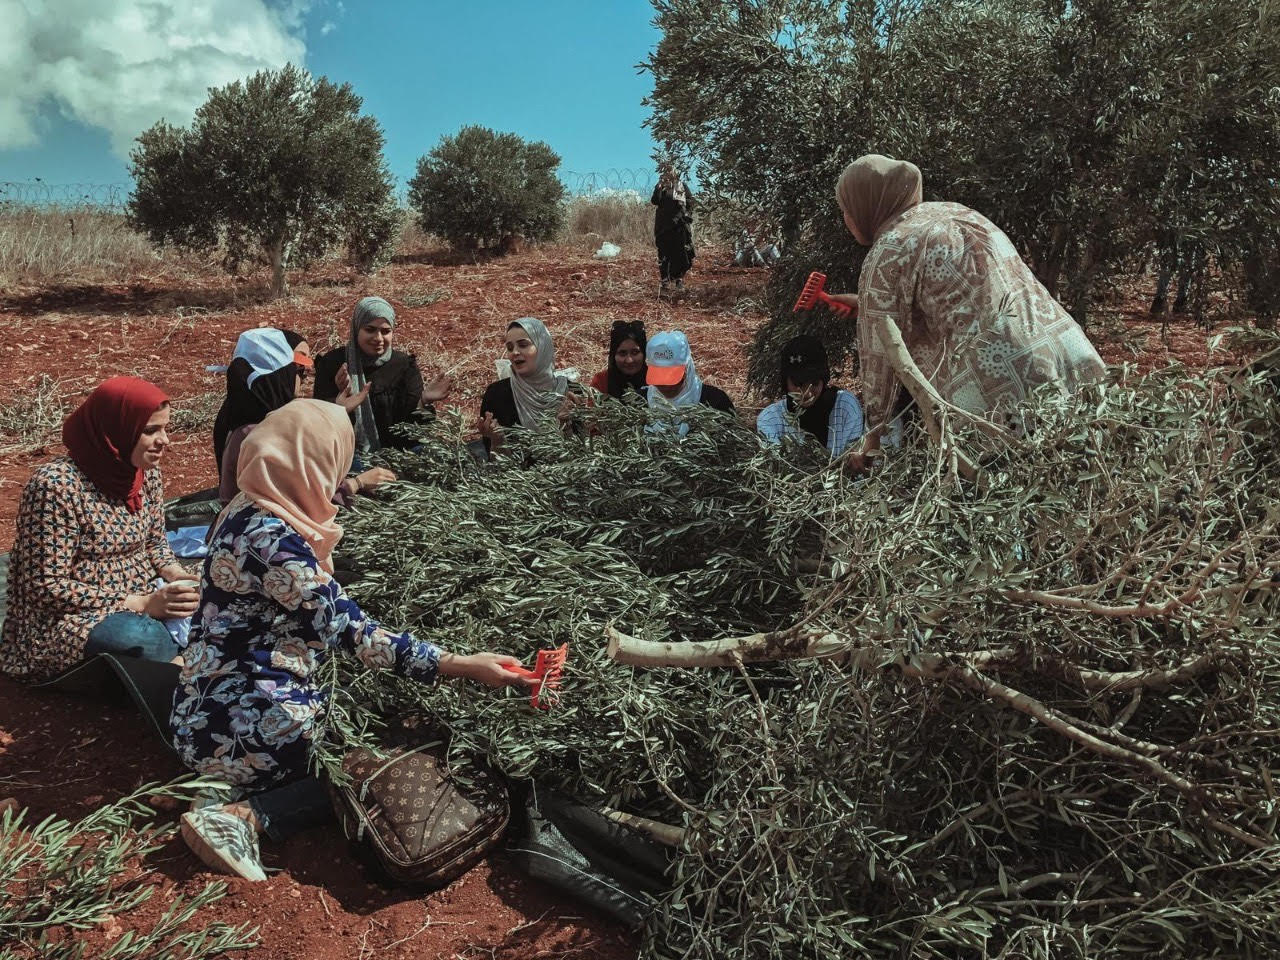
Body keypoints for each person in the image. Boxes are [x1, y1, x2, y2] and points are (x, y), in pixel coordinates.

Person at [171, 400, 534, 881]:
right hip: (249, 715)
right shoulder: (274, 541)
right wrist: (464, 664)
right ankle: (246, 817)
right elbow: (356, 634)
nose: (336, 478)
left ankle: (223, 783)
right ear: (310, 460)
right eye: (334, 462)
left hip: (204, 702)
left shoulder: (247, 504)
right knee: (362, 757)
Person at [829, 154, 1105, 453]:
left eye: (845, 209)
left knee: (1001, 486)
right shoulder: (957, 213)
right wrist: (866, 304)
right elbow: (968, 297)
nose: (846, 218)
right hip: (1067, 356)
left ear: (866, 204)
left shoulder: (890, 247)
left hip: (1000, 382)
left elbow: (879, 355)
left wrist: (874, 435)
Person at [0, 377, 198, 681]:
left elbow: (155, 544)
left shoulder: (144, 473)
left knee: (223, 602)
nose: (165, 441)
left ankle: (166, 662)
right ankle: (174, 658)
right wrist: (139, 604)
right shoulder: (56, 487)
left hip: (145, 595)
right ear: (115, 432)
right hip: (74, 615)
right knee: (137, 639)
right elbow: (45, 587)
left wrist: (177, 576)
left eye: (165, 428)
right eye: (151, 431)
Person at [216, 328, 392, 504]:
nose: (304, 378)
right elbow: (304, 502)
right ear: (279, 375)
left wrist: (338, 410)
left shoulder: (240, 415)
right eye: (298, 370)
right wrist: (356, 484)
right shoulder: (260, 434)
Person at [314, 297, 451, 453]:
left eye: (385, 331)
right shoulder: (334, 364)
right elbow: (319, 426)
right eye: (370, 329)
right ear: (356, 328)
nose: (378, 338)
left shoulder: (404, 366)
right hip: (348, 454)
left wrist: (424, 401)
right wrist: (338, 407)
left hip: (397, 454)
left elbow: (414, 431)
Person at [478, 317, 578, 455]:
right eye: (510, 348)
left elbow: (588, 458)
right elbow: (498, 468)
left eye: (523, 345)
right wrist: (497, 441)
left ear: (543, 347)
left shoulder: (573, 393)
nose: (515, 353)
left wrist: (566, 427)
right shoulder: (496, 395)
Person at [757, 336, 864, 456]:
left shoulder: (845, 407)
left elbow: (853, 459)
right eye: (799, 384)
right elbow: (775, 467)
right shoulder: (770, 420)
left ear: (824, 380)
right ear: (785, 383)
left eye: (814, 383)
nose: (807, 393)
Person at [644, 331, 735, 435]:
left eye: (672, 377)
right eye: (659, 377)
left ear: (688, 369)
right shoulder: (639, 403)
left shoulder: (715, 403)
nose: (666, 386)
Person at [651, 163, 696, 293]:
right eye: (666, 171)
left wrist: (686, 213)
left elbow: (690, 201)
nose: (668, 173)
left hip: (679, 226)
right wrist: (659, 187)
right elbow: (655, 201)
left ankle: (679, 280)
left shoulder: (681, 186)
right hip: (663, 226)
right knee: (664, 253)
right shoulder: (661, 187)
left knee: (680, 253)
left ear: (675, 172)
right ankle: (664, 280)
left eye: (670, 170)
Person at [589, 320, 648, 400]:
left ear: (644, 353)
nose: (629, 360)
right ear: (613, 355)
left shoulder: (657, 381)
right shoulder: (601, 381)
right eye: (622, 353)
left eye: (635, 352)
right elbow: (593, 409)